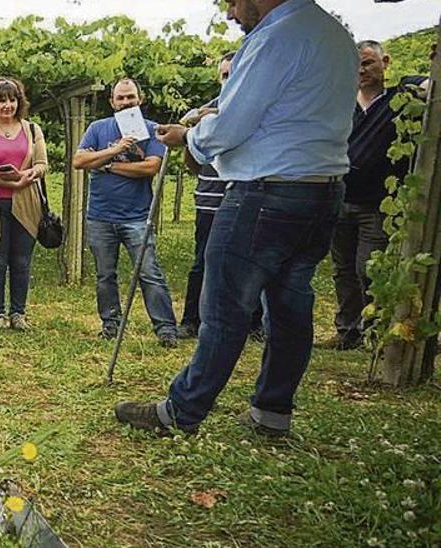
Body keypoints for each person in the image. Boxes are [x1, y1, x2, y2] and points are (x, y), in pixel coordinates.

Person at [118, 0, 357, 437]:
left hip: (265, 193)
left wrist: (189, 135)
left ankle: (181, 412)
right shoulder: (336, 34)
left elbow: (233, 126)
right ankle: (272, 413)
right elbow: (286, 116)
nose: (230, 14)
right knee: (290, 309)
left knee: (225, 309)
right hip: (322, 191)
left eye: (232, 2)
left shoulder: (274, 38)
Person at [323, 40, 430, 350]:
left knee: (368, 267)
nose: (361, 70)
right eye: (356, 64)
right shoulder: (343, 104)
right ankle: (347, 332)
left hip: (377, 204)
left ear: (385, 62)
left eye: (369, 62)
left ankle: (372, 331)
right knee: (342, 269)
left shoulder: (399, 98)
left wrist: (419, 82)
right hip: (340, 198)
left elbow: (427, 85)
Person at [71, 78, 179, 347]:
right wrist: (116, 150)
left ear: (140, 99)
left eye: (130, 97)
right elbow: (79, 161)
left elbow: (150, 167)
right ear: (112, 102)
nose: (126, 102)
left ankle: (165, 328)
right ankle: (111, 323)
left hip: (137, 217)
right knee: (105, 275)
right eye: (120, 98)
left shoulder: (154, 131)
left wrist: (107, 165)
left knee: (149, 272)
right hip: (100, 216)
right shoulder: (98, 128)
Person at [177, 52, 264, 342]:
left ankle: (253, 323)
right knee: (201, 262)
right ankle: (191, 320)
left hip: (246, 198)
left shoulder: (254, 110)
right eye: (223, 75)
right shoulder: (201, 113)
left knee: (249, 262)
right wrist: (189, 138)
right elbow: (192, 164)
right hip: (209, 199)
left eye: (232, 73)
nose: (228, 80)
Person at [0, 77, 48, 331]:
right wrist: (4, 180)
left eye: (12, 99)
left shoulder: (32, 130)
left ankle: (18, 312)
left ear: (19, 102)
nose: (7, 105)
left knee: (21, 261)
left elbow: (41, 164)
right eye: (1, 100)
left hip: (26, 203)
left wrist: (26, 176)